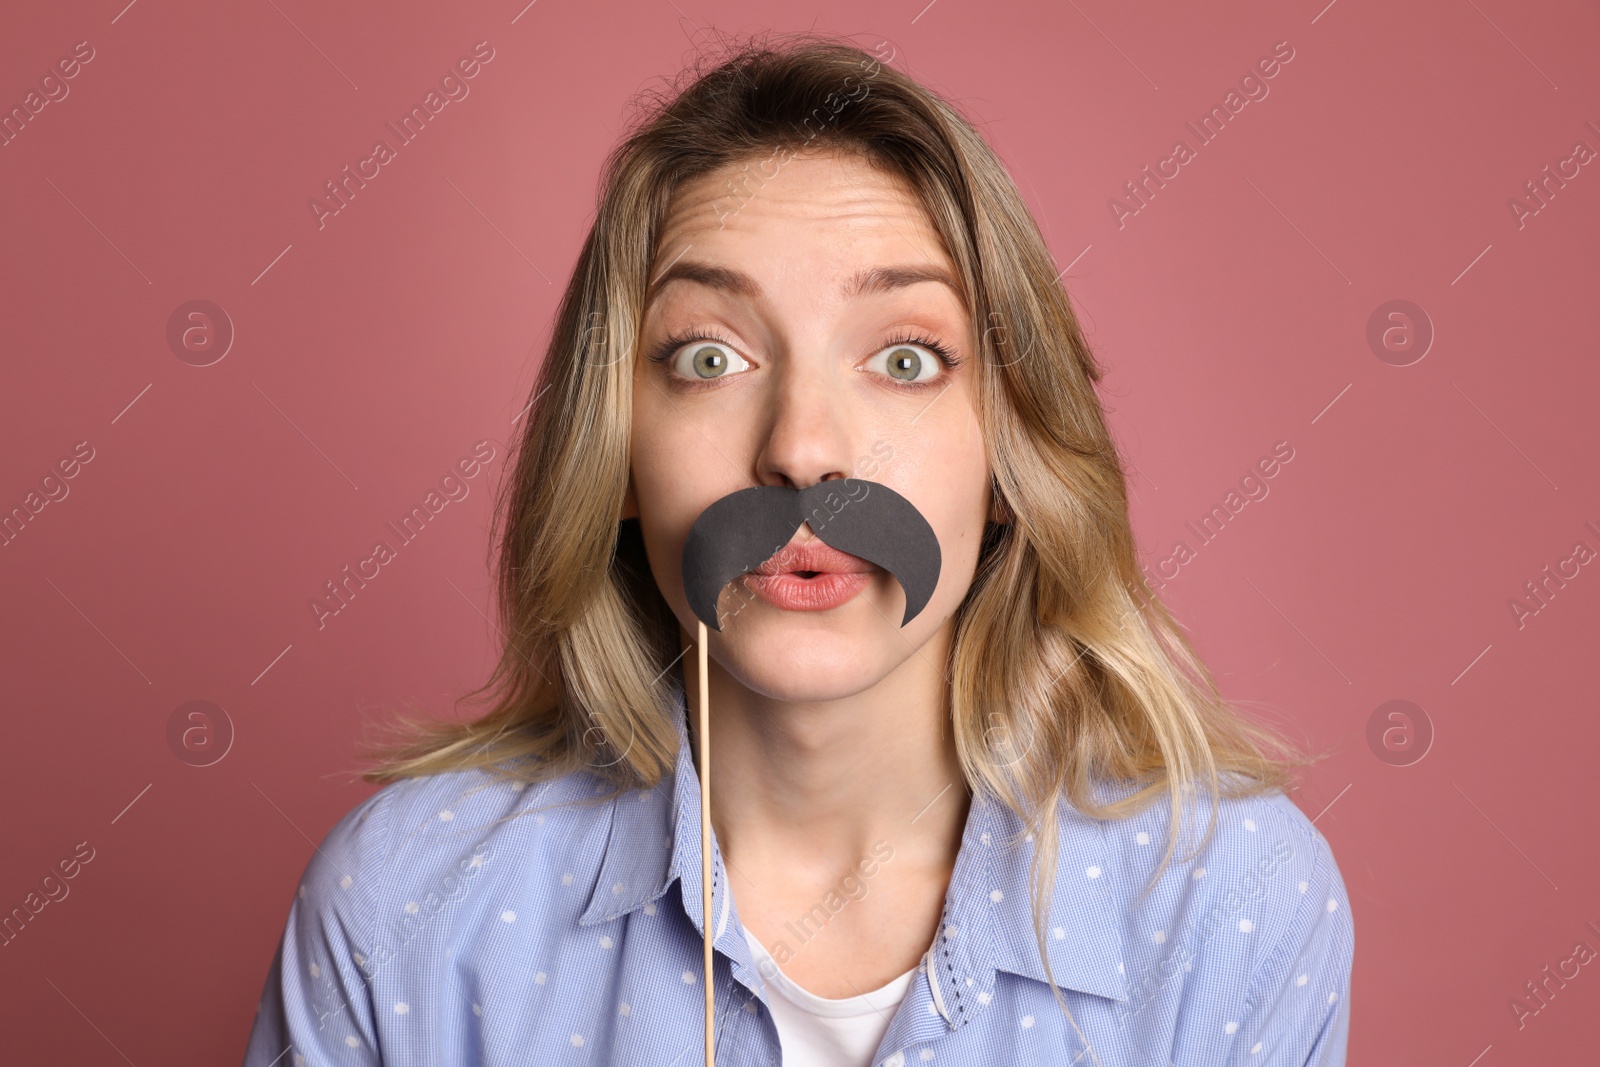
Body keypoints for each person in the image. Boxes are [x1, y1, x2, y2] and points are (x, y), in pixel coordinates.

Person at [242, 33, 1353, 1067]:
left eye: (907, 359)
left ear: (1009, 458)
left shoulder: (1221, 899)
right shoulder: (406, 904)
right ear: (618, 454)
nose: (803, 451)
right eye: (709, 359)